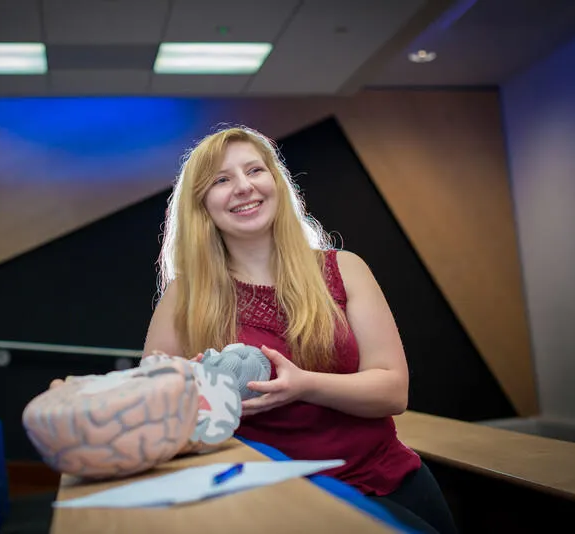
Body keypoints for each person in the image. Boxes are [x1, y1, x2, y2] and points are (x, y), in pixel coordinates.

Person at [142, 125, 458, 534]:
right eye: (222, 180)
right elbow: (153, 412)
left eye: (255, 171)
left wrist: (304, 385)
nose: (243, 187)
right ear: (201, 204)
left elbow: (393, 392)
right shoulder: (182, 297)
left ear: (275, 182)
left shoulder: (345, 269)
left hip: (387, 482)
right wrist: (192, 393)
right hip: (272, 505)